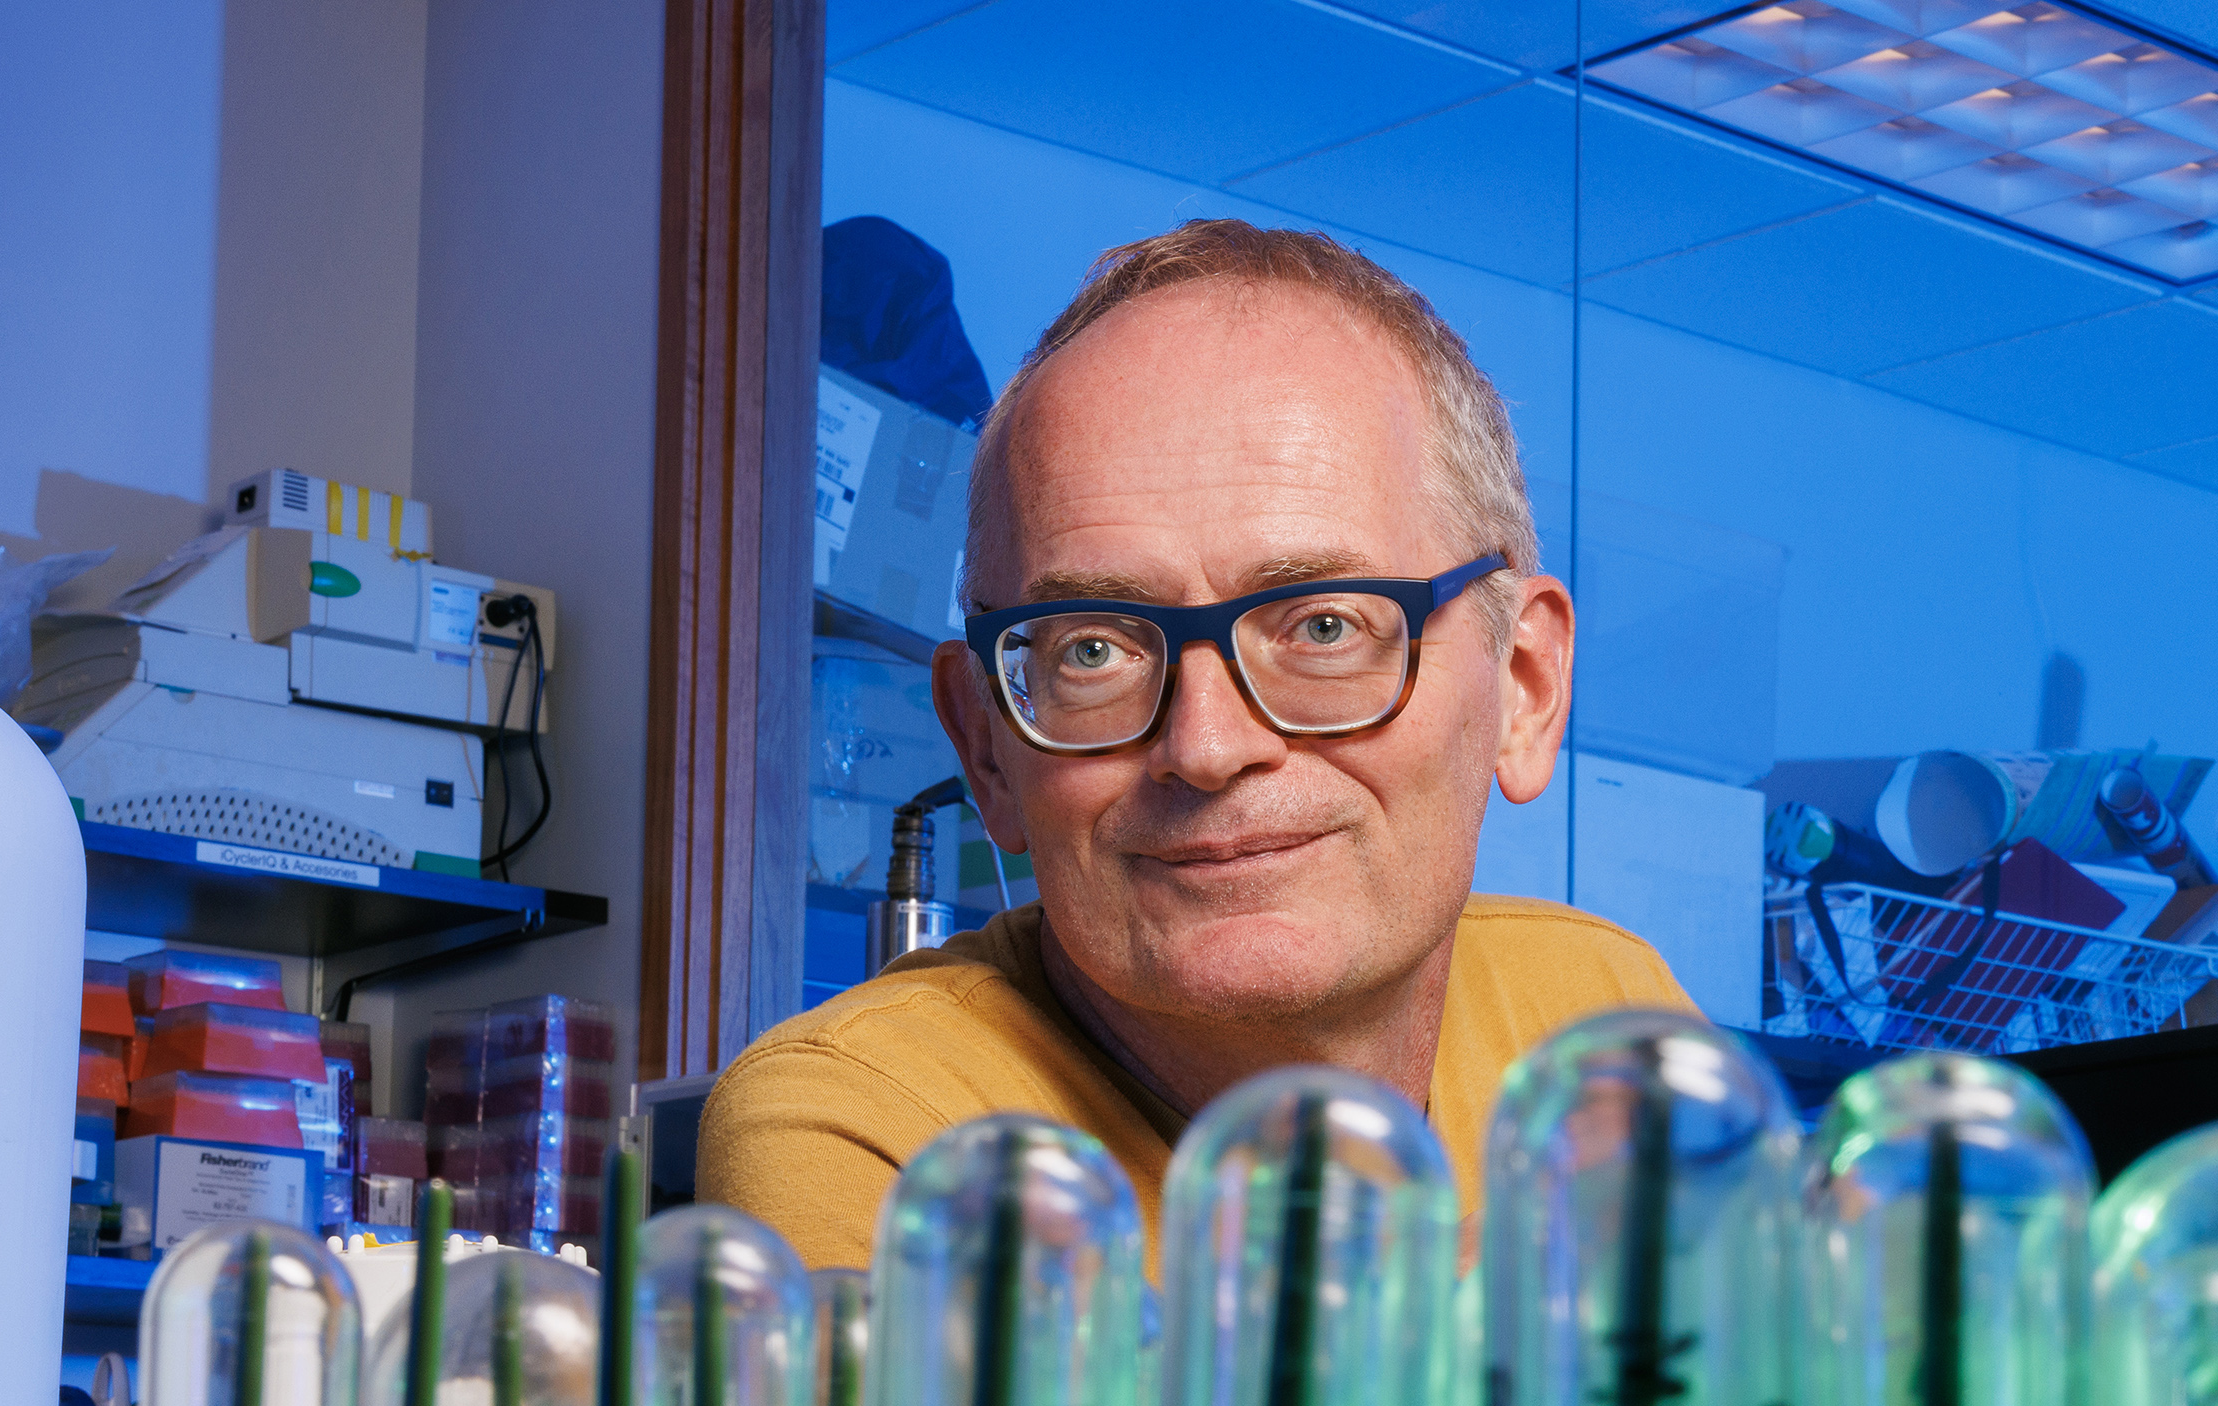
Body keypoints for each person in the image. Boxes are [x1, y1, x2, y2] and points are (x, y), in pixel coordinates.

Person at [698, 220, 1693, 1268]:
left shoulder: (1597, 1010)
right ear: (986, 750)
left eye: (1322, 627)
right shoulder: (875, 1130)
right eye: (1092, 649)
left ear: (1522, 688)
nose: (1208, 747)